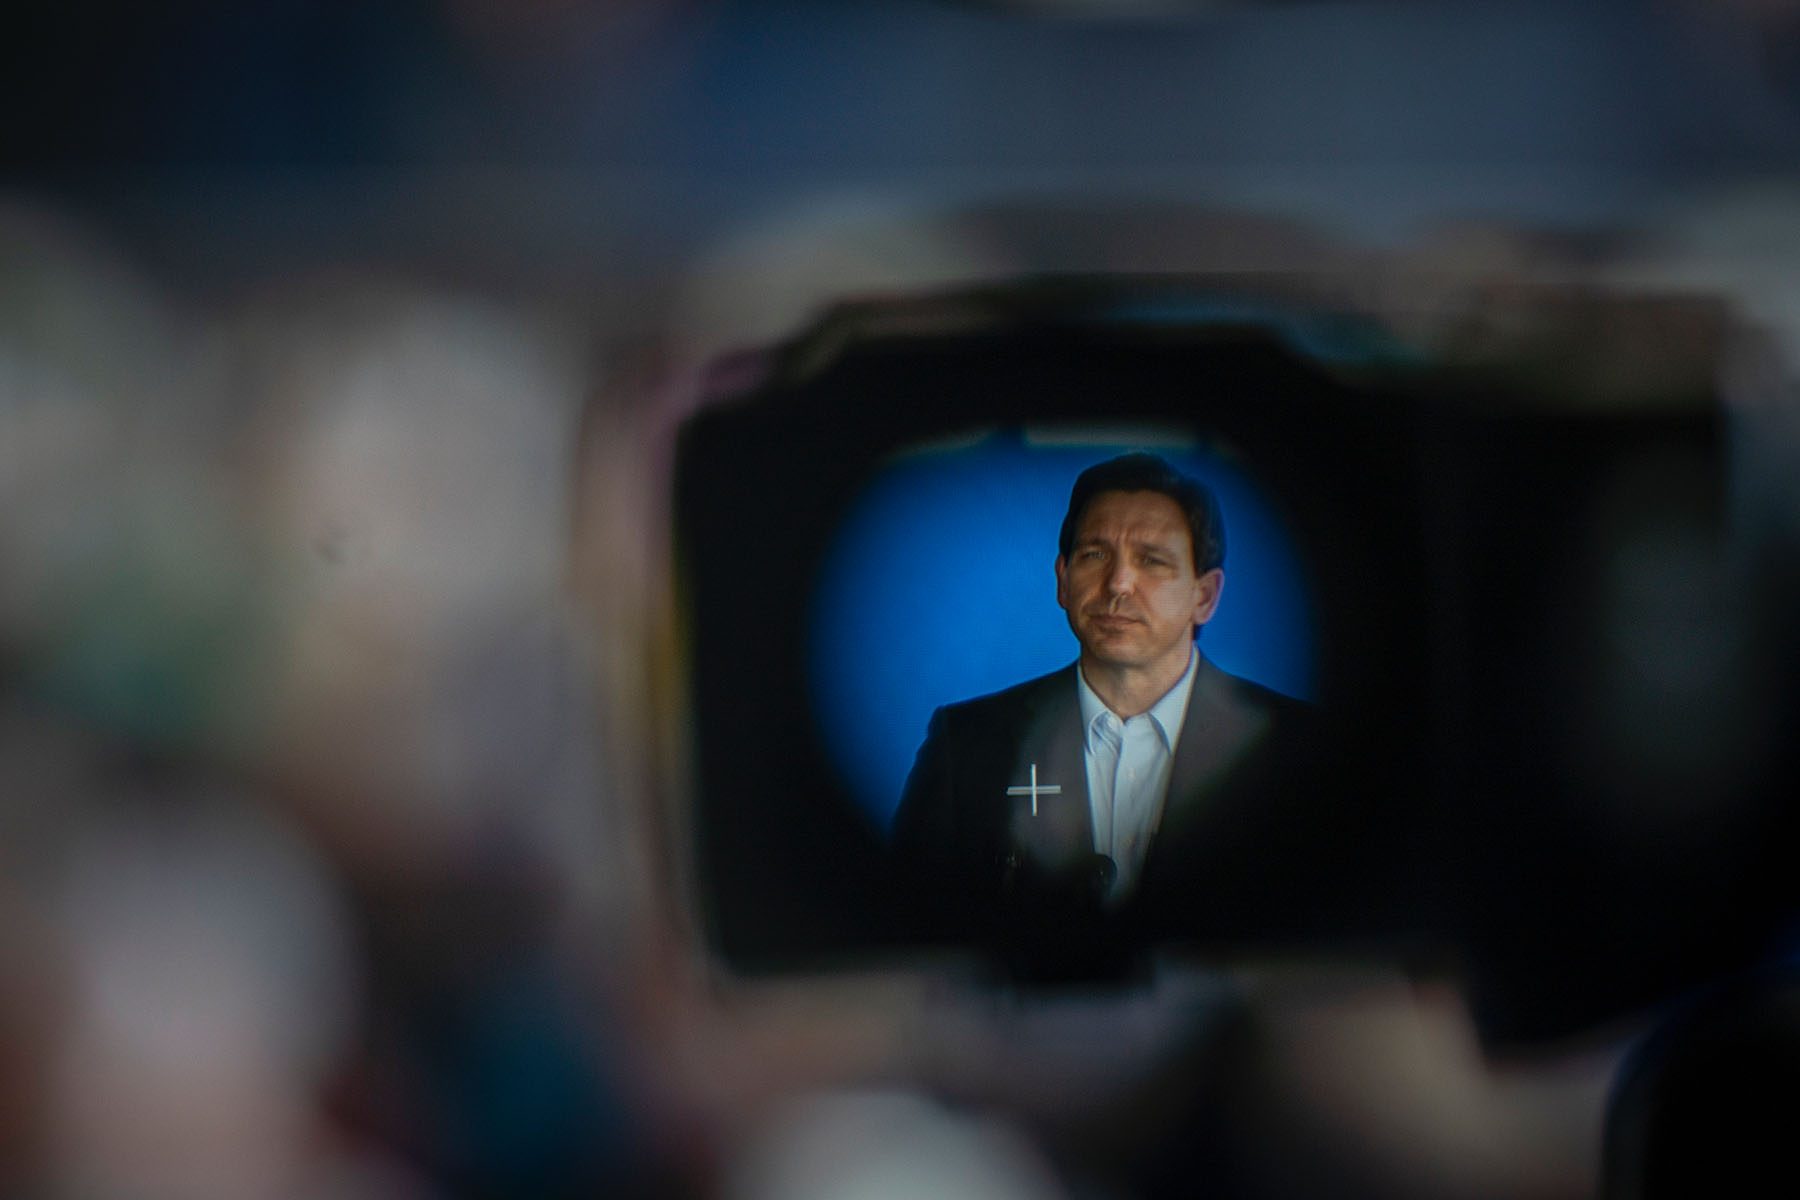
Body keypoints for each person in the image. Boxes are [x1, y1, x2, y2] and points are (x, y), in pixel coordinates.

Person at [891, 453, 1329, 967]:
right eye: (1095, 555)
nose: (1118, 584)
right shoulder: (963, 744)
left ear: (1204, 596)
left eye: (1151, 560)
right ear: (1062, 578)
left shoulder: (1298, 748)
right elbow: (903, 932)